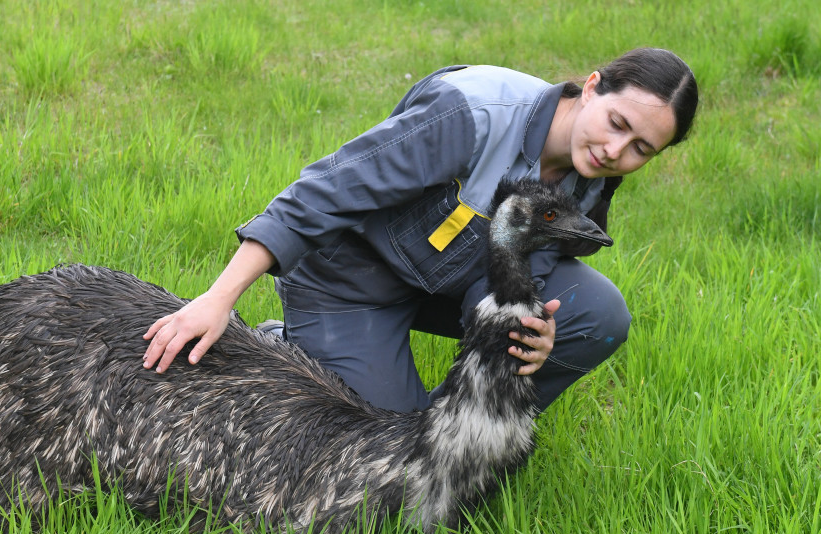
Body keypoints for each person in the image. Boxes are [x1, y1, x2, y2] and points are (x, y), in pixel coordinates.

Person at [142, 47, 699, 413]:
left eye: (641, 150)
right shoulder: (473, 112)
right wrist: (217, 299)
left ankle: (471, 429)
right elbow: (320, 194)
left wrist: (525, 329)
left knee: (597, 316)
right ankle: (281, 345)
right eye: (617, 124)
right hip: (349, 283)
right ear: (593, 85)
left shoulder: (591, 176)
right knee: (380, 446)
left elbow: (526, 266)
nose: (614, 151)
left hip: (451, 280)